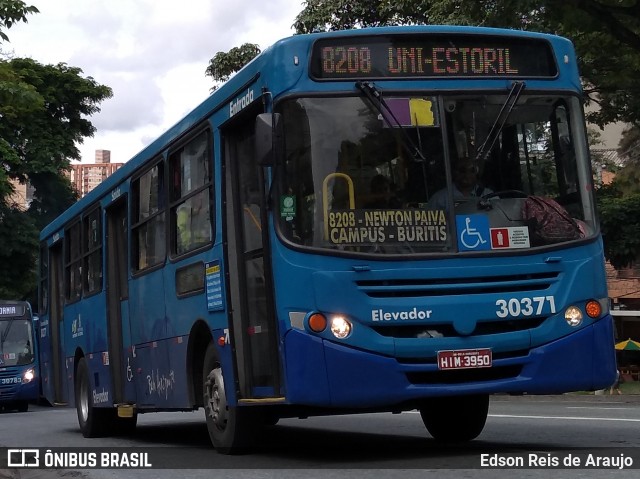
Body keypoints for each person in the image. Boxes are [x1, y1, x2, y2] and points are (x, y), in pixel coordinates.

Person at [427, 157, 492, 210]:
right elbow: (429, 222)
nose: (467, 175)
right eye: (462, 170)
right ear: (454, 172)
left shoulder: (489, 195)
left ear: (477, 174)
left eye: (472, 171)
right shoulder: (440, 198)